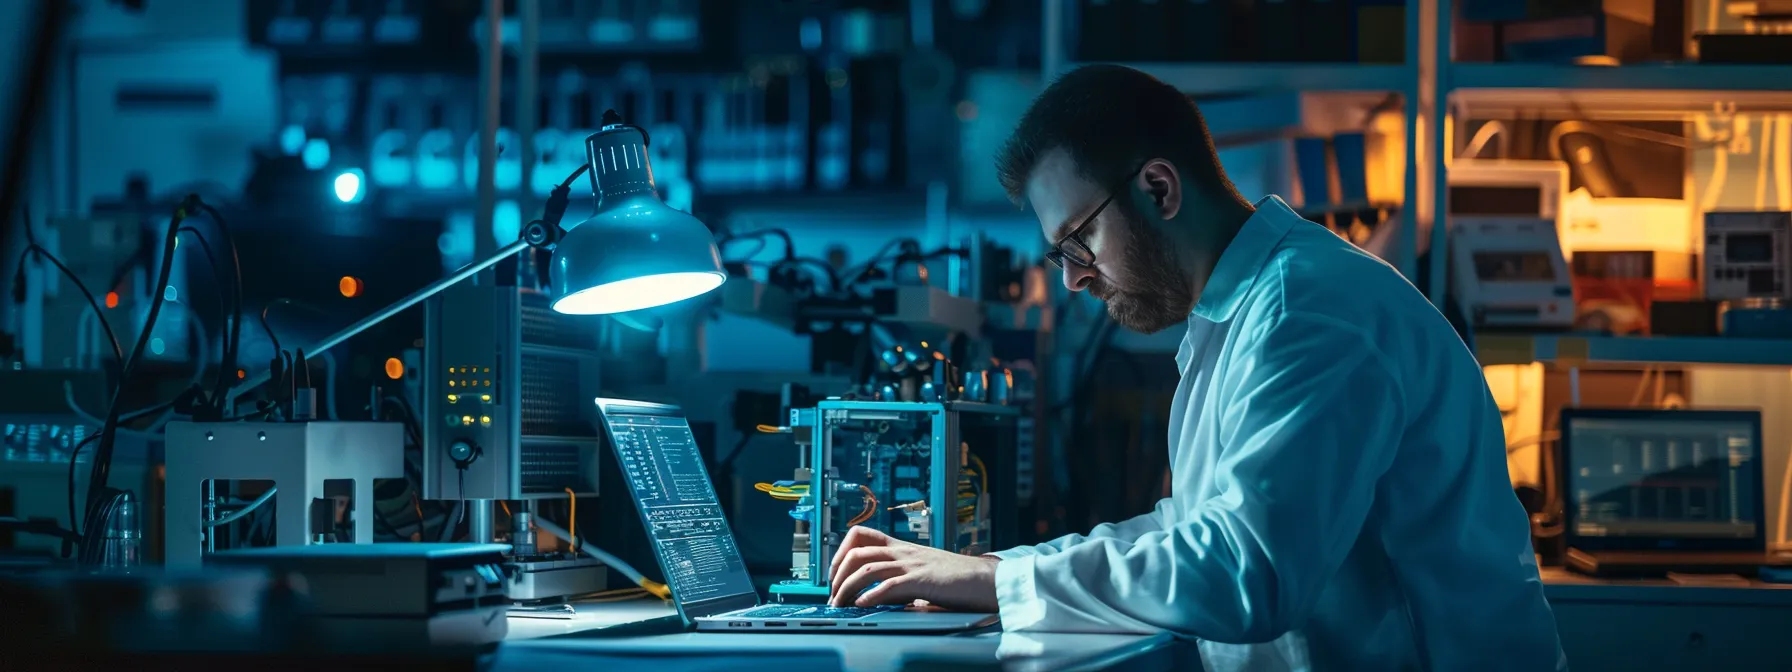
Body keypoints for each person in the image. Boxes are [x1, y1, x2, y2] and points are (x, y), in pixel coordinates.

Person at [825, 64, 1566, 670]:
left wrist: (997, 580)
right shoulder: (1244, 314)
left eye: (1079, 242)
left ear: (1158, 188)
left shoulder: (1309, 314)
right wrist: (989, 572)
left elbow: (1251, 572)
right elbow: (1193, 531)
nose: (1075, 279)